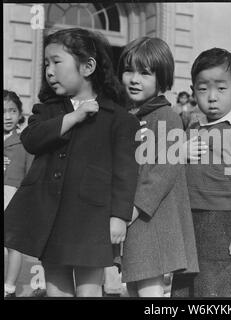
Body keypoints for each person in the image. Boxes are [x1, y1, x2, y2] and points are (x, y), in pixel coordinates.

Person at [4, 28, 140, 297]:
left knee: (89, 290)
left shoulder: (119, 117)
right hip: (49, 216)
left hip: (91, 218)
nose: (49, 71)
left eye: (56, 61)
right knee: (56, 290)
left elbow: (126, 172)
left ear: (87, 66)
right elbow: (31, 139)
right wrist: (74, 117)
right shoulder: (49, 110)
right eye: (46, 64)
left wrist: (119, 217)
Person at [171, 48, 231, 297]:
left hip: (223, 224)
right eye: (203, 89)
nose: (211, 97)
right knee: (184, 292)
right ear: (192, 91)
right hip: (188, 221)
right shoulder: (191, 129)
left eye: (221, 89)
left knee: (218, 293)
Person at [117, 36, 199, 297]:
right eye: (129, 70)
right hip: (136, 214)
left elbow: (164, 170)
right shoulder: (132, 116)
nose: (134, 79)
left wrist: (134, 208)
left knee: (149, 289)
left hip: (150, 215)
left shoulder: (167, 116)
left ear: (161, 78)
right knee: (134, 286)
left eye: (145, 73)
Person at [3, 90, 34, 298]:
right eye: (3, 111)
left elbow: (31, 173)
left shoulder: (25, 141)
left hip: (13, 195)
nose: (7, 116)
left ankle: (10, 287)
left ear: (19, 113)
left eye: (12, 111)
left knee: (13, 245)